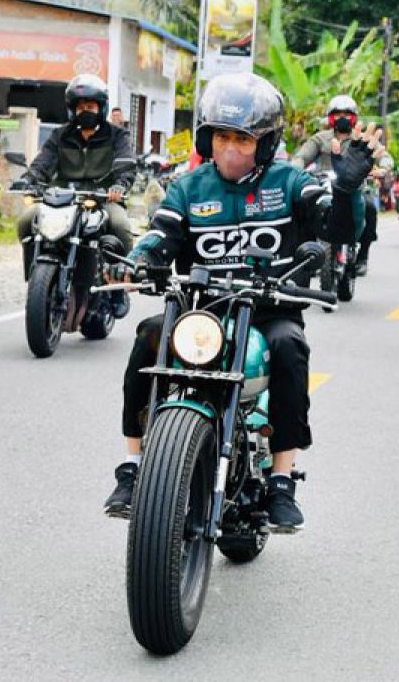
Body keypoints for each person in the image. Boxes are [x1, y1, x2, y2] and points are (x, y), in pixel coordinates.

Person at [104, 72, 324, 530]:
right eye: (222, 136)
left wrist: (343, 197)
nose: (229, 148)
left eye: (242, 139)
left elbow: (330, 220)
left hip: (269, 308)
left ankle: (282, 481)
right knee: (148, 337)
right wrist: (138, 260)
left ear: (263, 144)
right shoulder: (190, 188)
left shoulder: (289, 182)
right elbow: (161, 235)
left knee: (290, 349)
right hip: (202, 309)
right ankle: (133, 466)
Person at [14, 75, 135, 318]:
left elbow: (126, 164)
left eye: (90, 106)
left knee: (121, 226)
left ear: (100, 107)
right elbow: (43, 163)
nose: (85, 111)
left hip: (102, 198)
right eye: (80, 107)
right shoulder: (61, 135)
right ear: (72, 109)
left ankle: (119, 287)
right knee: (26, 221)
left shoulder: (116, 135)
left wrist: (120, 186)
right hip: (62, 197)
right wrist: (29, 179)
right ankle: (36, 276)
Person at [293, 94, 392, 276]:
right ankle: (306, 255)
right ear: (330, 117)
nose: (342, 117)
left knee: (370, 207)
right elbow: (301, 156)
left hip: (355, 189)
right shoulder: (320, 139)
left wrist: (383, 169)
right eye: (337, 113)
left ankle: (363, 256)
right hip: (324, 186)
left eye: (346, 113)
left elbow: (384, 156)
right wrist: (295, 170)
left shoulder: (363, 139)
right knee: (302, 207)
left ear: (354, 117)